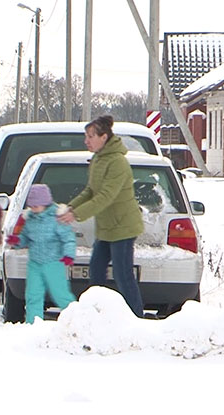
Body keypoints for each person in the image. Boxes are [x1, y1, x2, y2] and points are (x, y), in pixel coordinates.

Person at [58, 115, 145, 318]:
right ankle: (95, 317)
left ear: (104, 137)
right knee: (96, 272)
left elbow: (106, 196)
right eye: (86, 136)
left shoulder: (117, 162)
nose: (86, 141)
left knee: (123, 276)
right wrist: (71, 208)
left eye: (90, 136)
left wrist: (77, 215)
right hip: (106, 228)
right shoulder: (98, 159)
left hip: (122, 227)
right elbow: (91, 191)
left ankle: (137, 320)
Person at [6, 184, 76, 324]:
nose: (34, 209)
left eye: (37, 206)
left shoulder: (57, 218)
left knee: (60, 294)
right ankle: (33, 323)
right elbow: (26, 238)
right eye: (31, 206)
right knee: (33, 294)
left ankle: (75, 320)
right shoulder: (30, 219)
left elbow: (68, 238)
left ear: (45, 203)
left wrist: (68, 255)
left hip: (54, 262)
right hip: (35, 263)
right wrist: (17, 241)